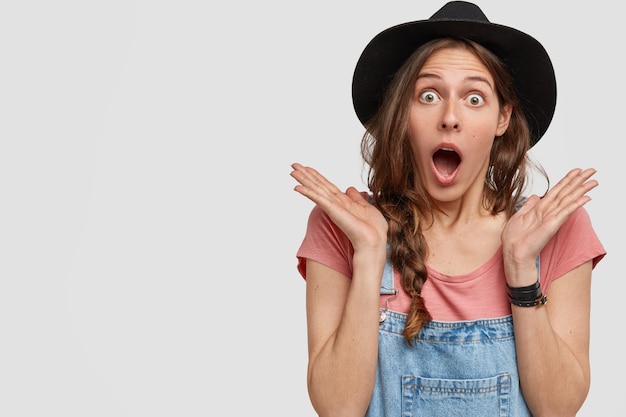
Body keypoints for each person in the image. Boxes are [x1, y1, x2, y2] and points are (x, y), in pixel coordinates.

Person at [290, 1, 606, 416]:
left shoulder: (554, 229)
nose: (450, 117)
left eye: (475, 98)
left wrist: (521, 268)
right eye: (428, 95)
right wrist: (368, 256)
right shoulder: (344, 228)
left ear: (503, 118)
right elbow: (337, 409)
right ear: (403, 113)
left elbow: (558, 408)